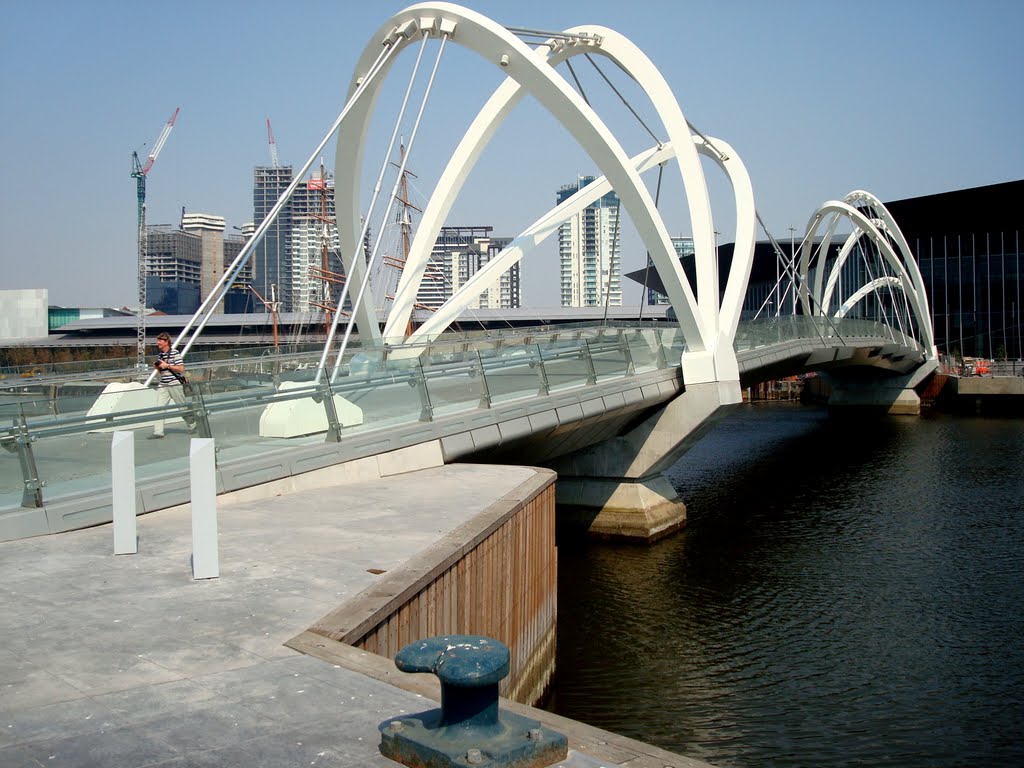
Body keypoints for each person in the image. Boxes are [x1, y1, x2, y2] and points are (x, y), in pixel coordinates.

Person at [150, 332, 194, 438]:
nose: (158, 343)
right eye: (158, 340)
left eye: (160, 341)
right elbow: (163, 371)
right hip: (163, 384)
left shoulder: (175, 353)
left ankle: (192, 424)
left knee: (182, 407)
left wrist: (168, 365)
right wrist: (158, 368)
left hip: (174, 383)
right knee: (159, 408)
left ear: (166, 342)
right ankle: (158, 432)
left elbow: (181, 368)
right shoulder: (161, 355)